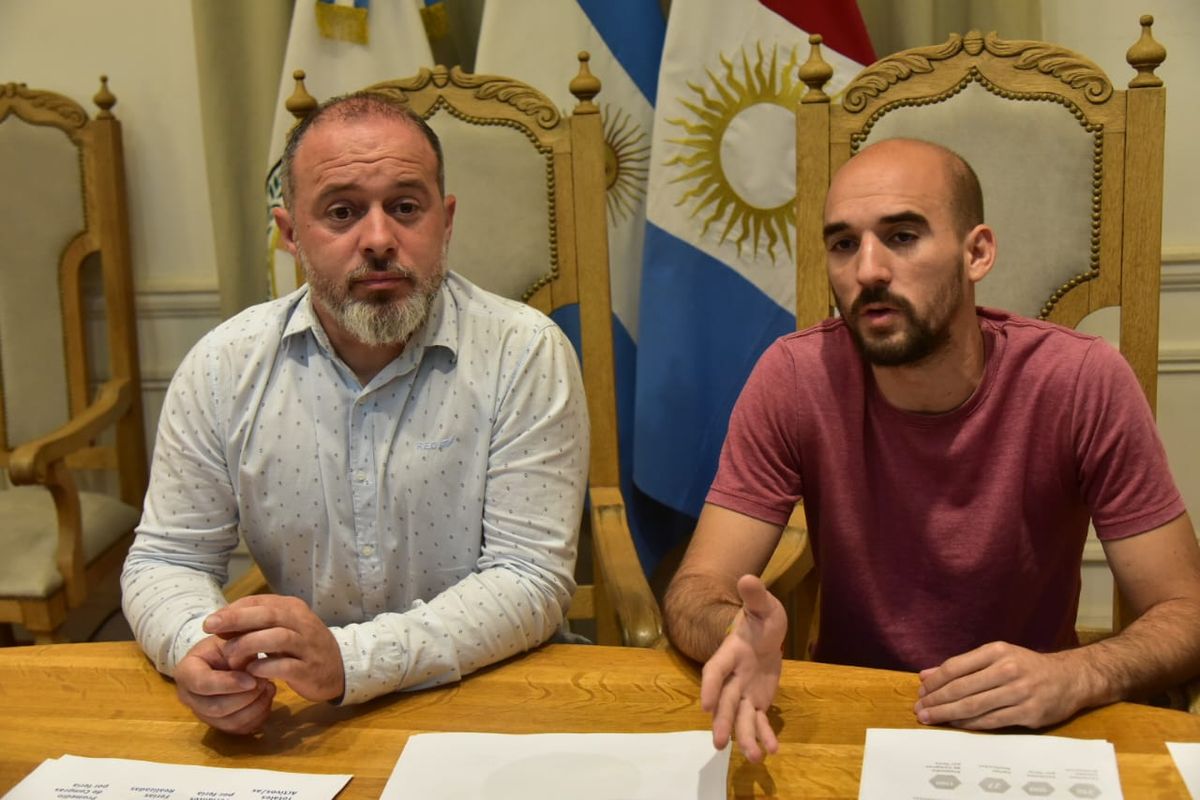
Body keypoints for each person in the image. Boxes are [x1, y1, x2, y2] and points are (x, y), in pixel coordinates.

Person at [663, 138, 1200, 763]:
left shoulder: (1081, 379)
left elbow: (1186, 610)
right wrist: (733, 628)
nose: (867, 271)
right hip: (851, 717)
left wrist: (1082, 673)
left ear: (977, 253)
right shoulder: (794, 377)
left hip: (1031, 726)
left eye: (902, 236)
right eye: (844, 244)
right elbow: (695, 589)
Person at [122, 92, 589, 734]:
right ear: (290, 234)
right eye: (342, 212)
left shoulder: (524, 353)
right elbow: (168, 558)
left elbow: (529, 577)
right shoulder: (223, 366)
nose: (378, 240)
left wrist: (350, 661)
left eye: (406, 207)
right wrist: (198, 650)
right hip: (309, 716)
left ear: (445, 221)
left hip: (494, 696)